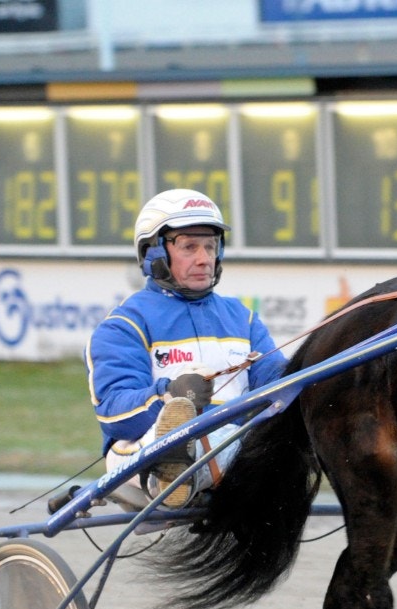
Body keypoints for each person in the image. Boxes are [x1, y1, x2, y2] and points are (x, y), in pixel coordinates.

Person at [85, 188, 288, 508]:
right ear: (154, 253)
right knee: (195, 441)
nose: (205, 258)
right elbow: (114, 412)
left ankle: (185, 469)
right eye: (189, 247)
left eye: (211, 246)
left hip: (227, 450)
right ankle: (171, 468)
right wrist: (171, 395)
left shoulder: (243, 319)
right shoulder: (125, 325)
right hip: (141, 453)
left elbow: (279, 386)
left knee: (257, 443)